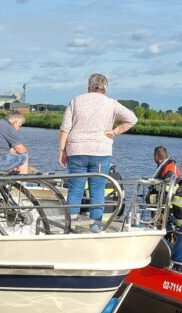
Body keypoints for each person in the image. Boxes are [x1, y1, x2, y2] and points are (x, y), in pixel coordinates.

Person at [58, 74, 137, 229]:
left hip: (76, 149)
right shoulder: (111, 103)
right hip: (101, 151)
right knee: (98, 190)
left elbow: (65, 128)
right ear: (105, 87)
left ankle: (71, 224)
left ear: (89, 85)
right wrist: (115, 131)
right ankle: (96, 226)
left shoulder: (76, 101)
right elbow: (132, 119)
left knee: (75, 189)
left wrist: (62, 150)